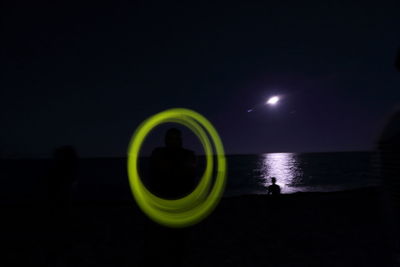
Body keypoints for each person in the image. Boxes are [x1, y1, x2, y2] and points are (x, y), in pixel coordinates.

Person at [149, 127, 196, 199]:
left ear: (180, 140)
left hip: (183, 195)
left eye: (176, 138)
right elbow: (153, 175)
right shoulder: (158, 153)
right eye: (171, 138)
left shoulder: (189, 155)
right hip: (162, 195)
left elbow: (192, 177)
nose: (174, 141)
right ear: (166, 140)